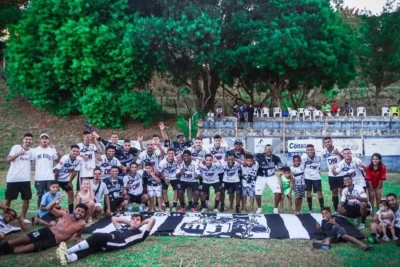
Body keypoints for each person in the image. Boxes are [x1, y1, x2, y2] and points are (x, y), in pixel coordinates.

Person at [56, 215, 155, 264]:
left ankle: (67, 251)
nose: (135, 221)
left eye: (137, 220)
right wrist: (129, 222)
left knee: (97, 236)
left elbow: (152, 220)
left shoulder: (141, 233)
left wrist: (141, 224)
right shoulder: (123, 227)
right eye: (133, 219)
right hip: (110, 239)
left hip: (120, 242)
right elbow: (114, 219)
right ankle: (69, 258)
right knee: (92, 249)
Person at [0, 198, 87, 255]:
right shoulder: (64, 214)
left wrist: (79, 238)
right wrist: (55, 202)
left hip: (53, 241)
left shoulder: (81, 224)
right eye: (78, 210)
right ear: (75, 209)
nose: (79, 213)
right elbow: (49, 208)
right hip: (47, 231)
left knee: (28, 247)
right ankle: (2, 247)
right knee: (22, 240)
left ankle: (5, 252)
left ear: (84, 214)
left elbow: (78, 234)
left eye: (82, 212)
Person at [5, 133, 34, 223]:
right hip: (13, 178)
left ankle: (23, 217)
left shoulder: (32, 151)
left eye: (30, 139)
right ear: (23, 139)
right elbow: (8, 160)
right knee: (9, 198)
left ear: (32, 141)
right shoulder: (16, 147)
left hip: (25, 179)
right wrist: (19, 154)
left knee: (26, 198)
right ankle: (4, 217)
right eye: (26, 139)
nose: (28, 141)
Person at [31, 133, 60, 209]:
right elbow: (29, 160)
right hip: (39, 177)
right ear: (40, 140)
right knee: (40, 196)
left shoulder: (52, 150)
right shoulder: (35, 150)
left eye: (46, 138)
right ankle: (40, 213)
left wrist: (59, 155)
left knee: (51, 196)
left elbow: (58, 161)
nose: (44, 140)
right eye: (42, 138)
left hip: (49, 177)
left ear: (48, 140)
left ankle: (51, 212)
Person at [255, 144, 283, 214]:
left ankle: (276, 208)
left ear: (272, 150)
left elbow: (280, 166)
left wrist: (280, 167)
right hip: (261, 176)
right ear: (264, 150)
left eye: (270, 149)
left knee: (278, 191)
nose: (268, 151)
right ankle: (259, 208)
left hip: (271, 176)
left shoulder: (276, 158)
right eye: (267, 149)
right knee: (257, 192)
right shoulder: (259, 156)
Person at [54, 145, 82, 215]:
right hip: (56, 177)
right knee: (56, 195)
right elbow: (57, 170)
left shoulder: (79, 159)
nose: (75, 153)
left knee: (70, 193)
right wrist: (56, 183)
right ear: (70, 151)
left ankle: (71, 212)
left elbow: (75, 171)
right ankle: (54, 211)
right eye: (74, 151)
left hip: (65, 179)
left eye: (77, 151)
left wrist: (70, 182)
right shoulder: (65, 158)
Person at [322, 137, 344, 213]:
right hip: (331, 175)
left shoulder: (338, 148)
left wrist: (338, 153)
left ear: (332, 142)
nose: (327, 143)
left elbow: (345, 158)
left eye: (329, 142)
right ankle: (336, 210)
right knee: (334, 192)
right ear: (324, 143)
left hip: (341, 174)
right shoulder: (323, 152)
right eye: (326, 142)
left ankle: (344, 209)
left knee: (343, 192)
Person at [301, 144, 324, 213]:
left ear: (314, 150)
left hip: (316, 177)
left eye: (311, 150)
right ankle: (310, 209)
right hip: (307, 177)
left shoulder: (319, 156)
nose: (310, 151)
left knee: (319, 192)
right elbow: (302, 167)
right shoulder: (303, 157)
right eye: (308, 150)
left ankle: (322, 208)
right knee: (308, 192)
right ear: (306, 151)